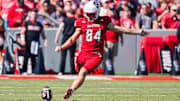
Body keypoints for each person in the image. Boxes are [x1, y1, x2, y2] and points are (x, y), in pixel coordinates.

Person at [54, 1, 148, 99]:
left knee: (82, 72)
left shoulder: (104, 21)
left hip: (95, 55)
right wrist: (62, 47)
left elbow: (121, 29)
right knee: (79, 71)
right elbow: (72, 38)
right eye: (88, 15)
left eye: (92, 15)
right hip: (83, 53)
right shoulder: (81, 21)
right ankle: (74, 79)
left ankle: (71, 89)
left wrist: (138, 32)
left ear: (98, 12)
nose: (89, 17)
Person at [20, 8, 48, 75]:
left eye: (35, 14)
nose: (34, 16)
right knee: (26, 56)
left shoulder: (39, 24)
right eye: (32, 14)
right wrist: (23, 39)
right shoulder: (27, 23)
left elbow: (42, 33)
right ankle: (24, 71)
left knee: (34, 57)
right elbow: (23, 31)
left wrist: (45, 40)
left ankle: (33, 71)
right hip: (27, 41)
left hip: (35, 42)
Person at [54, 8, 76, 75]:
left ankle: (61, 70)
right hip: (72, 38)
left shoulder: (65, 20)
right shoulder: (75, 20)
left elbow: (60, 29)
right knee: (72, 56)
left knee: (63, 55)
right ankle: (73, 71)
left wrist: (56, 37)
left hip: (65, 38)